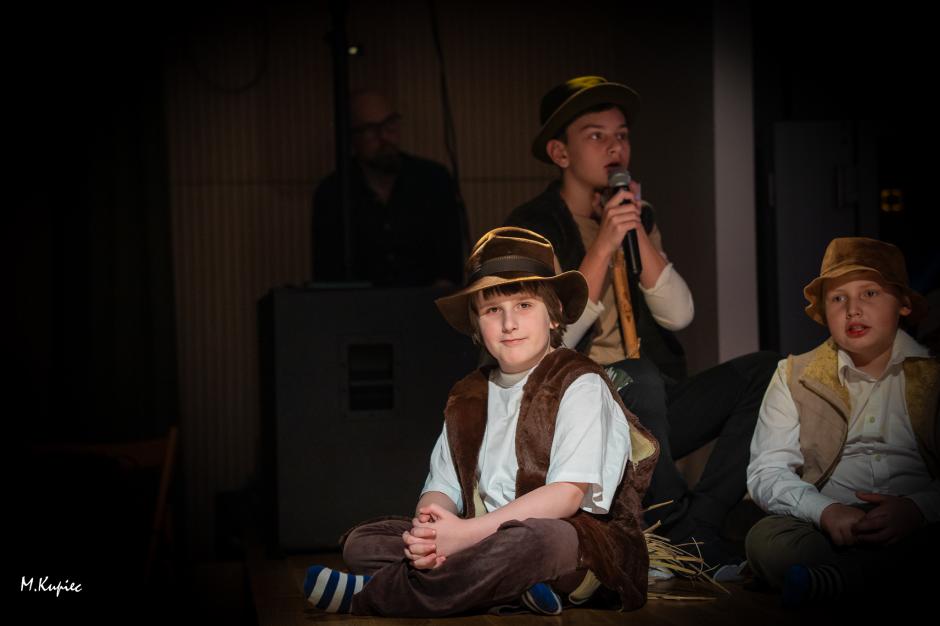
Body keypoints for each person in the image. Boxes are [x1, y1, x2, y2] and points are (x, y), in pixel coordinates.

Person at [301, 227, 659, 617]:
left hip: (573, 543)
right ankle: (509, 591)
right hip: (483, 537)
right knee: (363, 544)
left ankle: (374, 596)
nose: (509, 323)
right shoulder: (468, 394)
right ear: (476, 323)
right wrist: (431, 526)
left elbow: (567, 496)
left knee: (538, 541)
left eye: (524, 305)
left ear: (554, 314)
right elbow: (442, 485)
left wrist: (465, 536)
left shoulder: (580, 383)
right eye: (492, 310)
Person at [503, 76, 779, 567]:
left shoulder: (636, 216)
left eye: (622, 135)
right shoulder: (533, 227)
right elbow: (553, 332)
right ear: (560, 153)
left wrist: (635, 228)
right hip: (578, 403)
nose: (615, 147)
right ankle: (673, 526)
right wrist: (603, 243)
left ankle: (699, 523)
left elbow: (679, 313)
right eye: (596, 135)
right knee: (640, 376)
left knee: (766, 371)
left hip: (651, 403)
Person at [745, 237, 938, 606]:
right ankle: (875, 577)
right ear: (824, 310)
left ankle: (837, 581)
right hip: (833, 524)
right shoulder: (794, 374)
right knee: (766, 541)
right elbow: (767, 470)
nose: (853, 310)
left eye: (870, 293)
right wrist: (826, 511)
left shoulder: (933, 372)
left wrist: (917, 508)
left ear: (903, 304)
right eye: (838, 298)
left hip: (915, 519)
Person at [311, 89, 465, 286]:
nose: (384, 137)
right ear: (351, 137)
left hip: (426, 302)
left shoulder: (434, 180)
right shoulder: (333, 193)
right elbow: (326, 275)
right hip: (358, 303)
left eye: (389, 124)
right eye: (370, 129)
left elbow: (450, 265)